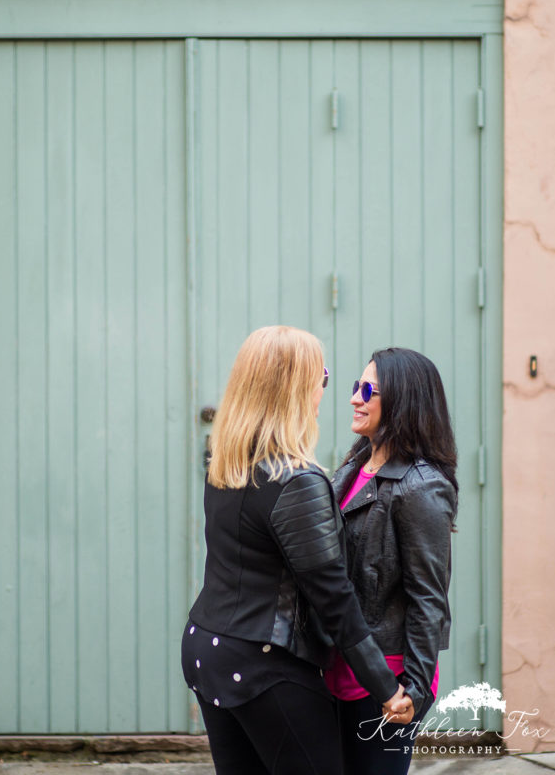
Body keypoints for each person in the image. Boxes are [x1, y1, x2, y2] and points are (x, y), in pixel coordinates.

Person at [182, 325, 409, 775]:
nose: (325, 391)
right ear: (298, 386)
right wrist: (385, 687)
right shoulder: (297, 481)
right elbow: (333, 597)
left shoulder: (226, 463)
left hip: (206, 648)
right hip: (265, 666)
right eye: (321, 378)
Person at [325, 347, 459, 775]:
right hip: (342, 661)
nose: (354, 398)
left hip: (387, 677)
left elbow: (428, 596)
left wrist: (415, 691)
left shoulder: (421, 486)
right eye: (355, 387)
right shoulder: (354, 465)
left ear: (401, 401)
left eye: (368, 390)